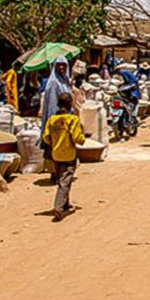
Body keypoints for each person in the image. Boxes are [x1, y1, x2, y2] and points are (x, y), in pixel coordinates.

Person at [42, 92, 85, 222]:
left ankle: (65, 203)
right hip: (69, 155)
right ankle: (58, 207)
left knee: (62, 178)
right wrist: (83, 140)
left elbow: (46, 137)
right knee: (65, 181)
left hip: (56, 154)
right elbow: (77, 137)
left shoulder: (52, 120)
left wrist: (56, 142)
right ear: (70, 104)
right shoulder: (72, 120)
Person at [40, 57, 73, 180]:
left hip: (66, 118)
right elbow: (52, 104)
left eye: (64, 65)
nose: (61, 68)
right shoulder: (54, 83)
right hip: (56, 119)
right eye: (59, 65)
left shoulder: (64, 81)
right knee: (56, 145)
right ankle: (55, 172)